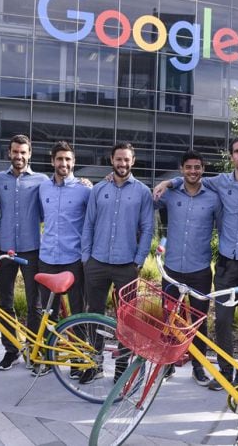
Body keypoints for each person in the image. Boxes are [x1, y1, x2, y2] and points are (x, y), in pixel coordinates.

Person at [81, 142, 154, 384]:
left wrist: (139, 260)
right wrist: (86, 257)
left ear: (132, 161)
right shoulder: (98, 190)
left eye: (126, 160)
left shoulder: (142, 192)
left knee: (127, 319)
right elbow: (88, 224)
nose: (122, 164)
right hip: (97, 262)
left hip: (127, 266)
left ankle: (122, 367)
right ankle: (94, 364)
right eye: (118, 159)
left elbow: (147, 229)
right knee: (94, 314)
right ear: (111, 160)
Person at [154, 150, 221, 386]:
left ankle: (198, 366)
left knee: (199, 321)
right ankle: (168, 363)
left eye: (198, 167)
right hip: (172, 269)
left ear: (203, 169)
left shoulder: (213, 197)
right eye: (189, 167)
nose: (193, 171)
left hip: (200, 270)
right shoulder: (170, 194)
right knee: (169, 319)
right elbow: (148, 198)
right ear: (182, 169)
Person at [0, 134, 49, 371]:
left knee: (35, 305)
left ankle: (34, 350)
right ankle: (11, 349)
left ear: (29, 154)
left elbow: (47, 210)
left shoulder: (41, 181)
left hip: (32, 250)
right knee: (5, 302)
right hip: (5, 250)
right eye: (15, 152)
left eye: (23, 152)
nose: (19, 156)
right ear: (9, 153)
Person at [38, 141, 90, 319]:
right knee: (48, 313)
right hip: (47, 258)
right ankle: (50, 347)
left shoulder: (85, 190)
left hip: (73, 259)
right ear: (52, 161)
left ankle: (80, 347)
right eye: (59, 159)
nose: (64, 163)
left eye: (68, 159)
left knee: (78, 311)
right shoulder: (43, 187)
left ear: (74, 161)